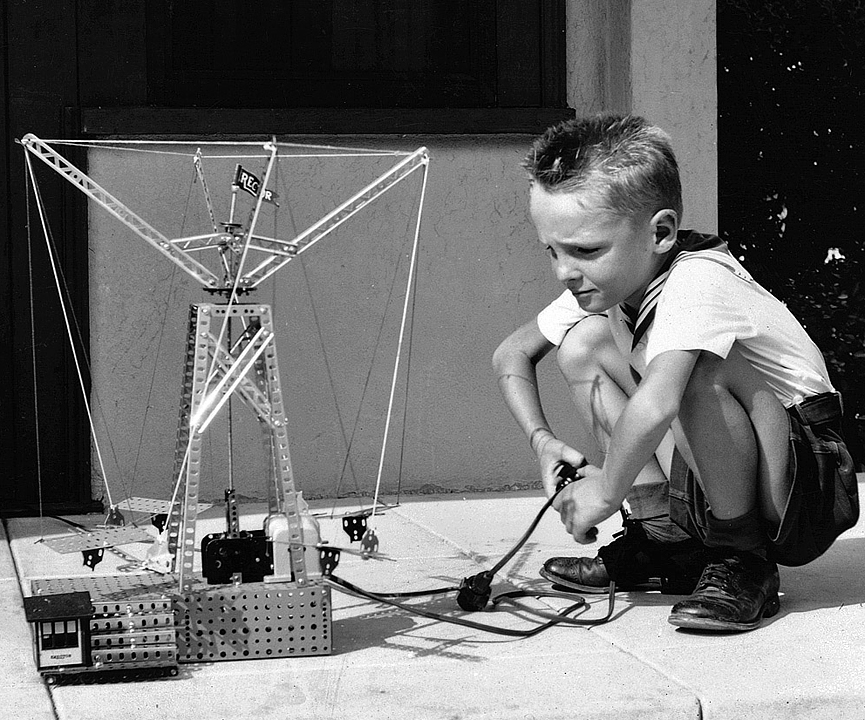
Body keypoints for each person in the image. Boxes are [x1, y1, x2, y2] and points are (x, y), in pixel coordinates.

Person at [493, 113, 858, 631]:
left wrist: (604, 491)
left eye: (585, 250)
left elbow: (660, 401)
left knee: (688, 372)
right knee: (583, 345)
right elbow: (511, 355)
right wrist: (542, 441)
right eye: (552, 251)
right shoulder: (616, 276)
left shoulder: (697, 280)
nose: (564, 271)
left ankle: (742, 558)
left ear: (660, 232)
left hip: (806, 482)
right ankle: (668, 543)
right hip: (726, 463)